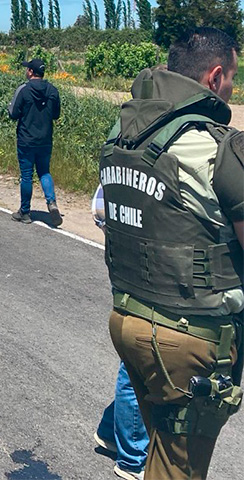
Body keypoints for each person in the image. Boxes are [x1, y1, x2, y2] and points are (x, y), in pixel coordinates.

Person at [103, 27, 243, 479]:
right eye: (233, 78)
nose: (233, 89)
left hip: (128, 318)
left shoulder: (125, 133)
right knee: (179, 471)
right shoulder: (217, 147)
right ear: (215, 76)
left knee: (160, 457)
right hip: (190, 338)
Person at [93, 185, 150, 480]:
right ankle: (132, 459)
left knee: (140, 361)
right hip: (145, 271)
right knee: (138, 364)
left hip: (135, 266)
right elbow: (100, 209)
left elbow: (99, 211)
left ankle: (111, 431)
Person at [8, 57, 63, 226]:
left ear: (31, 72)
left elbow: (13, 114)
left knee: (26, 176)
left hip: (26, 140)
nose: (26, 71)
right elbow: (56, 115)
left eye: (27, 69)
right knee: (44, 172)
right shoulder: (53, 90)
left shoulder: (23, 90)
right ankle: (51, 203)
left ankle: (25, 212)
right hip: (45, 139)